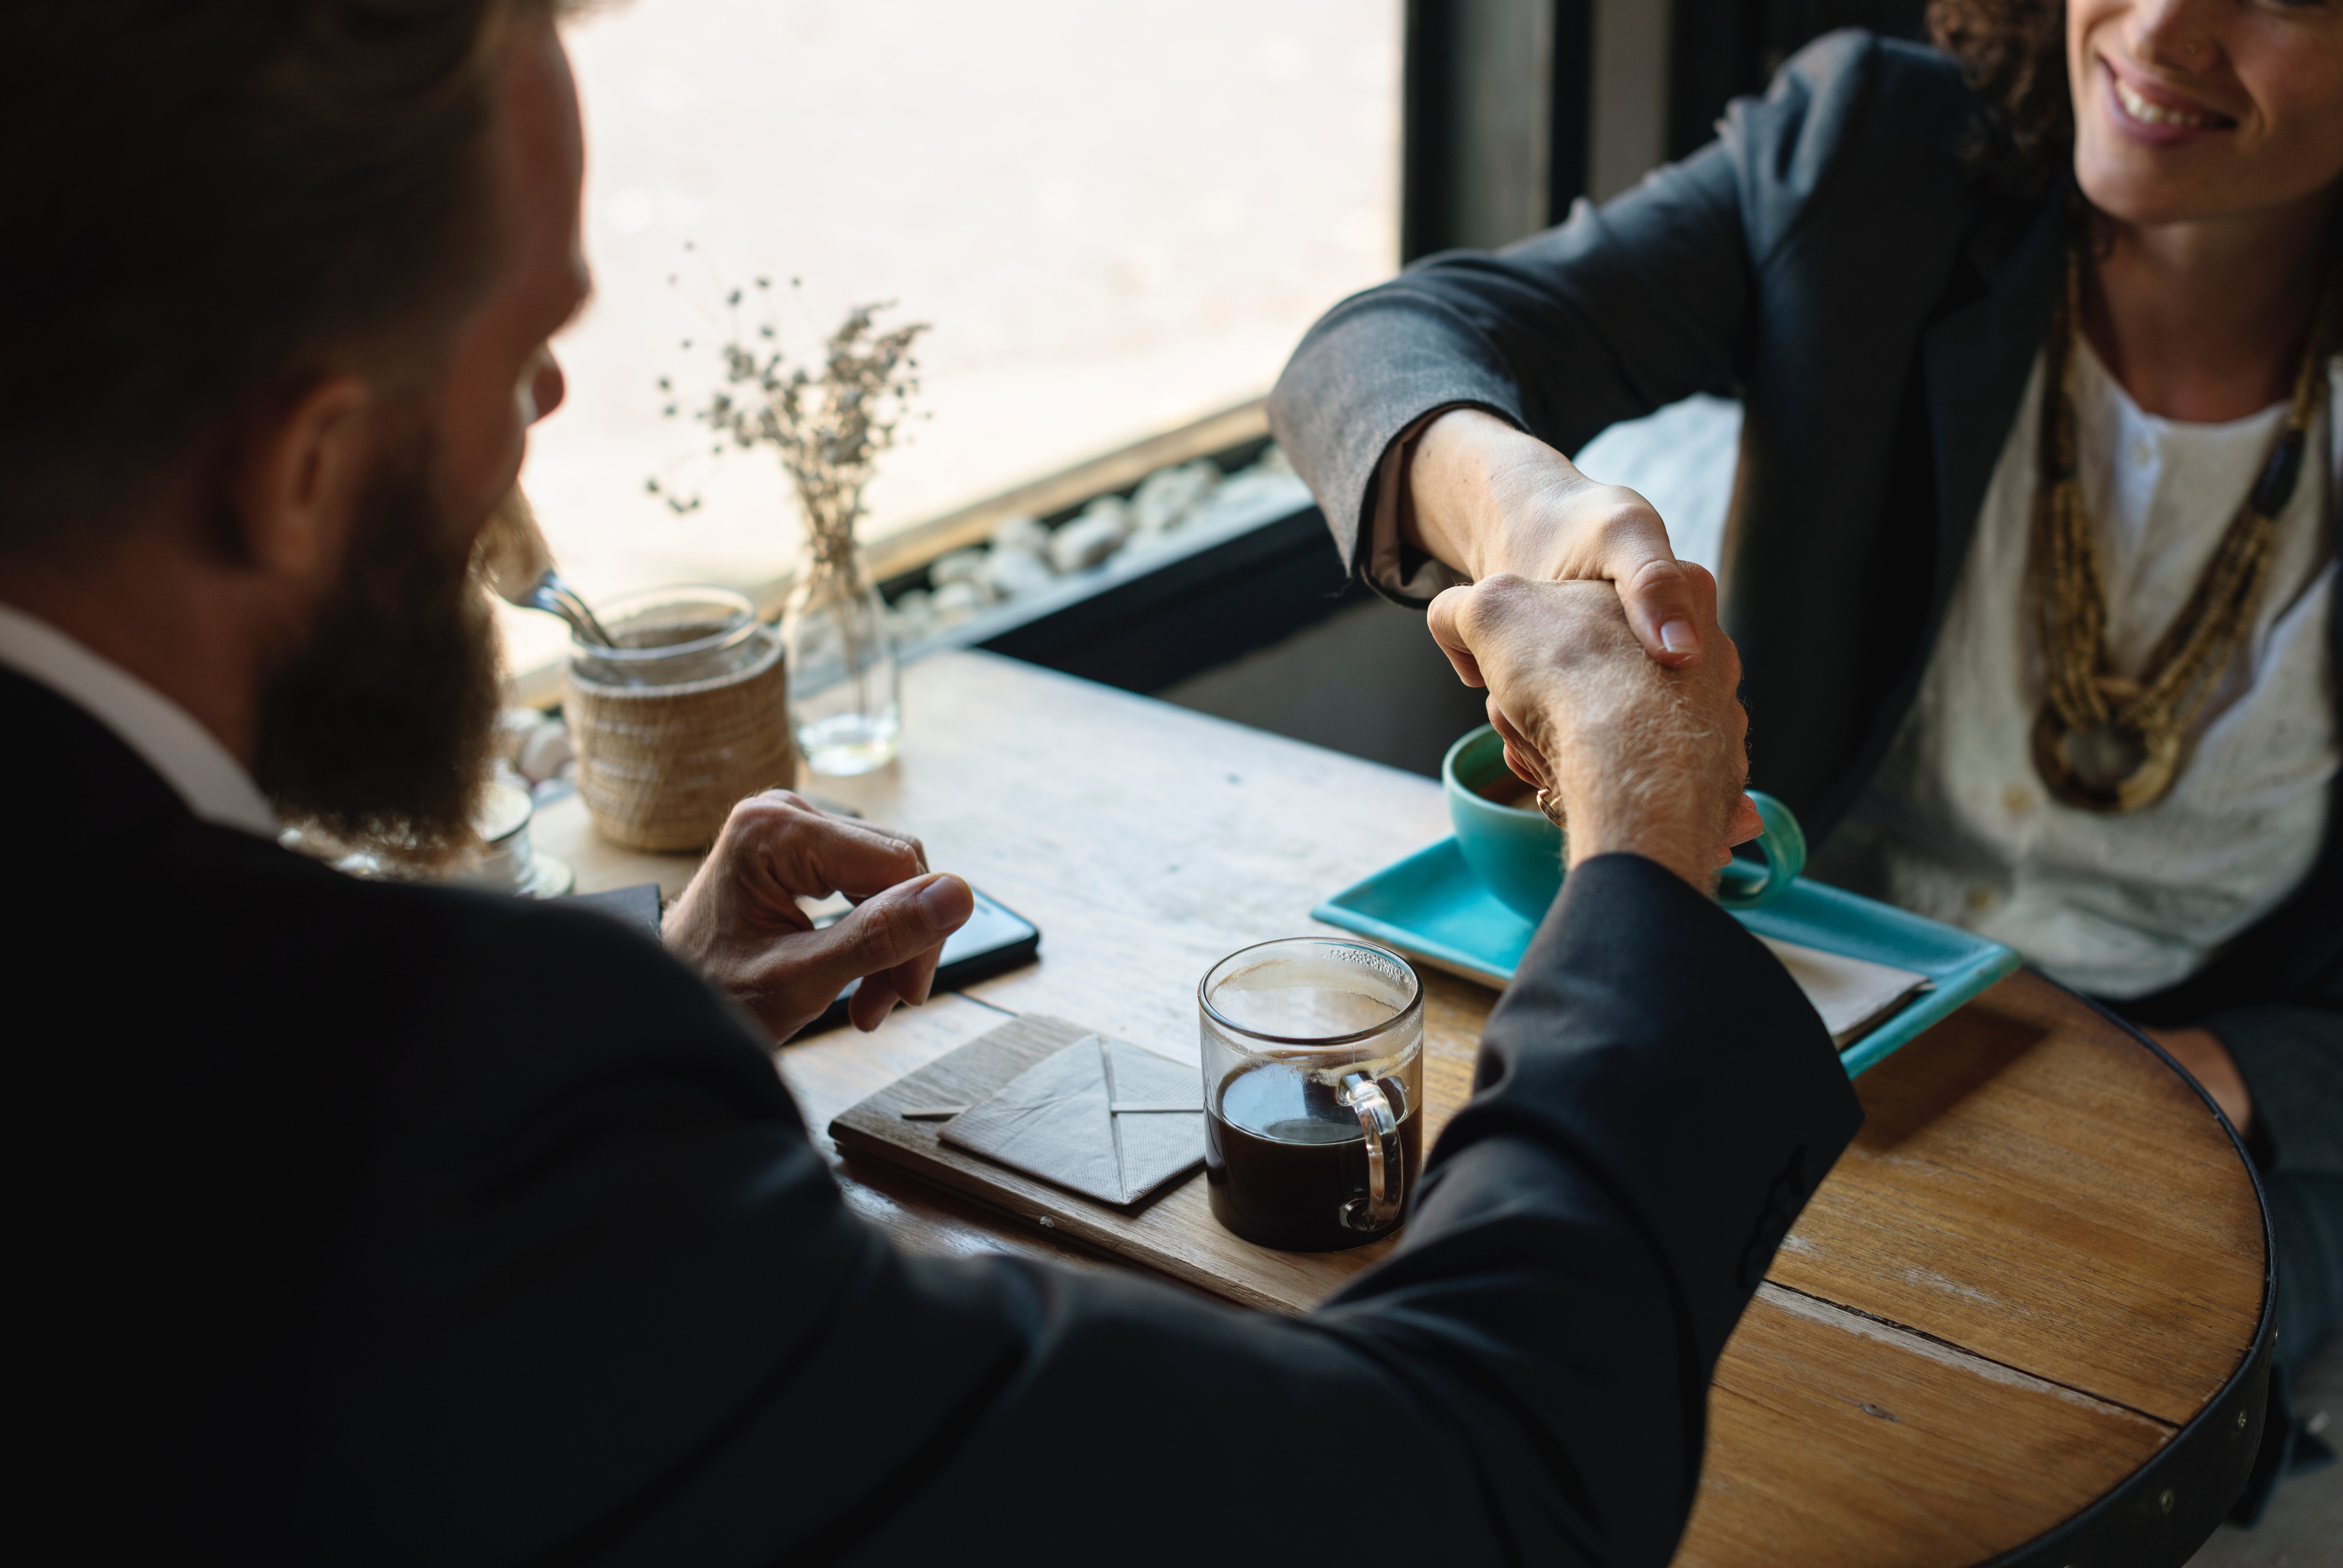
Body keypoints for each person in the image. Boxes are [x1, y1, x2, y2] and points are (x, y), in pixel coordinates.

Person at [3, 3, 1861, 1561]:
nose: (533, 443)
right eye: (527, 359)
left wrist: (645, 1013)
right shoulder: (425, 1114)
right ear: (304, 461)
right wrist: (1641, 835)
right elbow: (1450, 1491)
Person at [1270, 0, 2339, 1518]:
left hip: (2203, 1111)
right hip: (1807, 1028)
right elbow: (1371, 354)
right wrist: (1528, 519)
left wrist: (2244, 1072)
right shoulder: (1883, 155)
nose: (2163, 26)